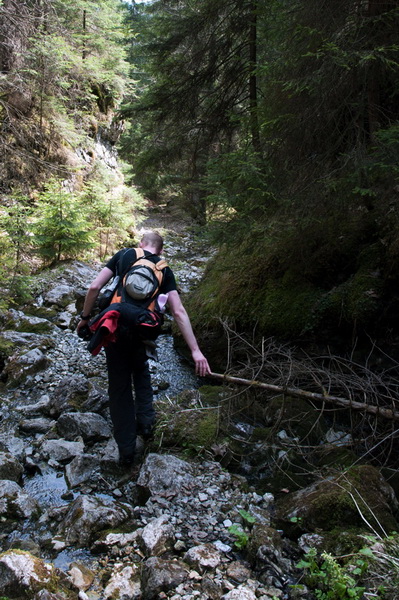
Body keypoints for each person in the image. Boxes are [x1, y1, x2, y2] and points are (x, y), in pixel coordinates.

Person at [77, 231, 211, 465]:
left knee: (119, 385)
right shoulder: (164, 268)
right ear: (160, 250)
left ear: (141, 244)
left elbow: (94, 286)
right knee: (140, 368)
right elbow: (178, 311)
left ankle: (127, 450)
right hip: (143, 327)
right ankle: (146, 424)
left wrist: (85, 318)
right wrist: (195, 350)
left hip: (115, 324)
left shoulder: (124, 255)